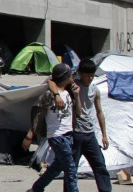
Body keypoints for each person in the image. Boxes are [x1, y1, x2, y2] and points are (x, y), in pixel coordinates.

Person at [23, 63, 82, 192]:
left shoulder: (68, 92)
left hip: (68, 135)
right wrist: (30, 134)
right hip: (57, 136)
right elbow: (37, 114)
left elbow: (78, 112)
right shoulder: (50, 95)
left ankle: (36, 188)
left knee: (57, 167)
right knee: (70, 168)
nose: (73, 77)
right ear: (65, 77)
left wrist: (77, 95)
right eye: (70, 75)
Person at [73, 59, 111, 191]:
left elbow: (99, 112)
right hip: (75, 134)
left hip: (90, 134)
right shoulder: (73, 87)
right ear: (80, 73)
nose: (89, 78)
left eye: (92, 75)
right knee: (72, 168)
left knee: (100, 165)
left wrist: (104, 135)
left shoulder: (94, 90)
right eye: (86, 75)